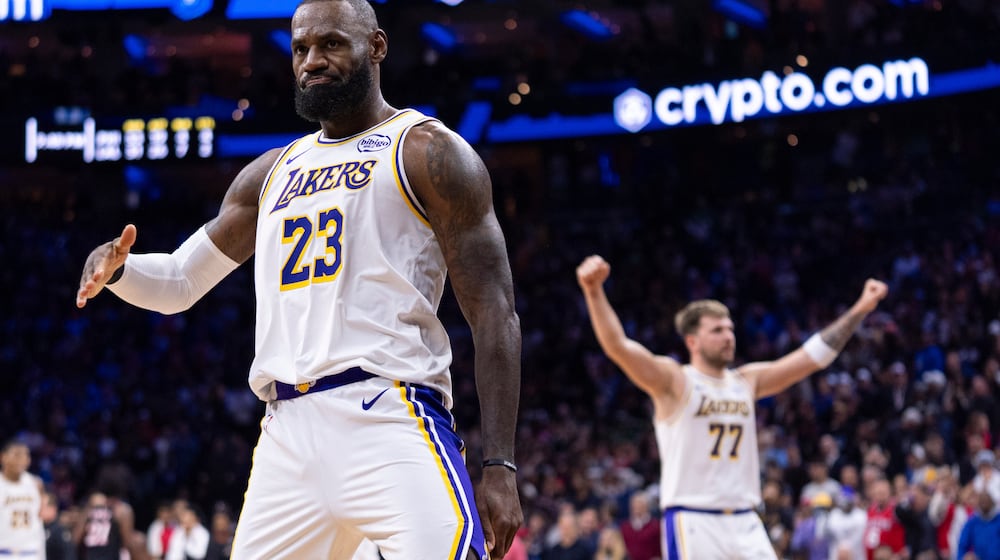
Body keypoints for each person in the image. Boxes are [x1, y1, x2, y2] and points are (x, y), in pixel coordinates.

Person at [75, 0, 522, 557]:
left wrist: (499, 462)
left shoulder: (429, 152)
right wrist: (119, 270)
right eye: (301, 49)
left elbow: (494, 312)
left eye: (331, 43)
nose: (312, 60)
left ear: (376, 47)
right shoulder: (269, 172)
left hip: (387, 413)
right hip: (286, 431)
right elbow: (181, 282)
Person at [576, 254, 889, 559]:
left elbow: (811, 358)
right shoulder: (675, 381)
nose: (728, 337)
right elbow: (619, 347)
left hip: (745, 518)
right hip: (694, 518)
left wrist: (861, 308)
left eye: (730, 329)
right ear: (692, 341)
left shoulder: (746, 380)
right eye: (717, 331)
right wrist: (593, 291)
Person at [0, 441, 45, 559]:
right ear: (3, 457)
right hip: (4, 552)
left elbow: (40, 518)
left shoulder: (36, 483)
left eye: (26, 455)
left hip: (31, 552)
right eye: (17, 455)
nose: (22, 459)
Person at [74, 491, 148, 560]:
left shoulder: (88, 513)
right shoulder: (120, 511)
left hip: (93, 556)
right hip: (110, 556)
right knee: (139, 540)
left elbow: (75, 540)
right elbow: (127, 542)